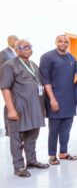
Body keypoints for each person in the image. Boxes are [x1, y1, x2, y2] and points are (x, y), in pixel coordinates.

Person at [0, 40, 49, 177]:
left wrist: (42, 107)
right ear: (16, 49)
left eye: (29, 47)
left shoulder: (32, 64)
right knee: (17, 138)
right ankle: (19, 167)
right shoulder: (9, 65)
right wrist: (11, 109)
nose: (27, 49)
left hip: (35, 107)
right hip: (19, 107)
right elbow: (4, 88)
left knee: (32, 136)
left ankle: (32, 161)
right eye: (23, 47)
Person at [39, 35, 77, 165]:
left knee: (66, 128)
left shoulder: (71, 58)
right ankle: (52, 155)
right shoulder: (47, 57)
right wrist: (52, 99)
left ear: (68, 43)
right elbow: (45, 80)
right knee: (54, 129)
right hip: (55, 98)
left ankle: (63, 152)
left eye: (65, 41)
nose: (63, 43)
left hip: (69, 99)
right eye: (60, 41)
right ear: (56, 42)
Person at [0, 35, 18, 136]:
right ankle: (8, 130)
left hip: (15, 84)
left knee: (11, 104)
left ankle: (12, 128)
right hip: (8, 84)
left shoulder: (13, 53)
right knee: (8, 105)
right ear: (11, 41)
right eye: (17, 40)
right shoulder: (4, 53)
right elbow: (3, 70)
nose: (18, 42)